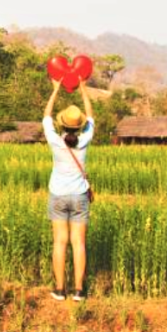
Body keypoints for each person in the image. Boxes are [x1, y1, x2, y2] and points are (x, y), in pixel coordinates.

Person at [42, 76, 94, 302]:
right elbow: (91, 116)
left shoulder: (55, 141)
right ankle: (79, 291)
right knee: (79, 243)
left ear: (61, 124)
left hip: (58, 196)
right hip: (80, 197)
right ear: (79, 125)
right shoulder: (84, 140)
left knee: (60, 242)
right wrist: (83, 88)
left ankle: (60, 289)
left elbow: (46, 116)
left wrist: (55, 90)